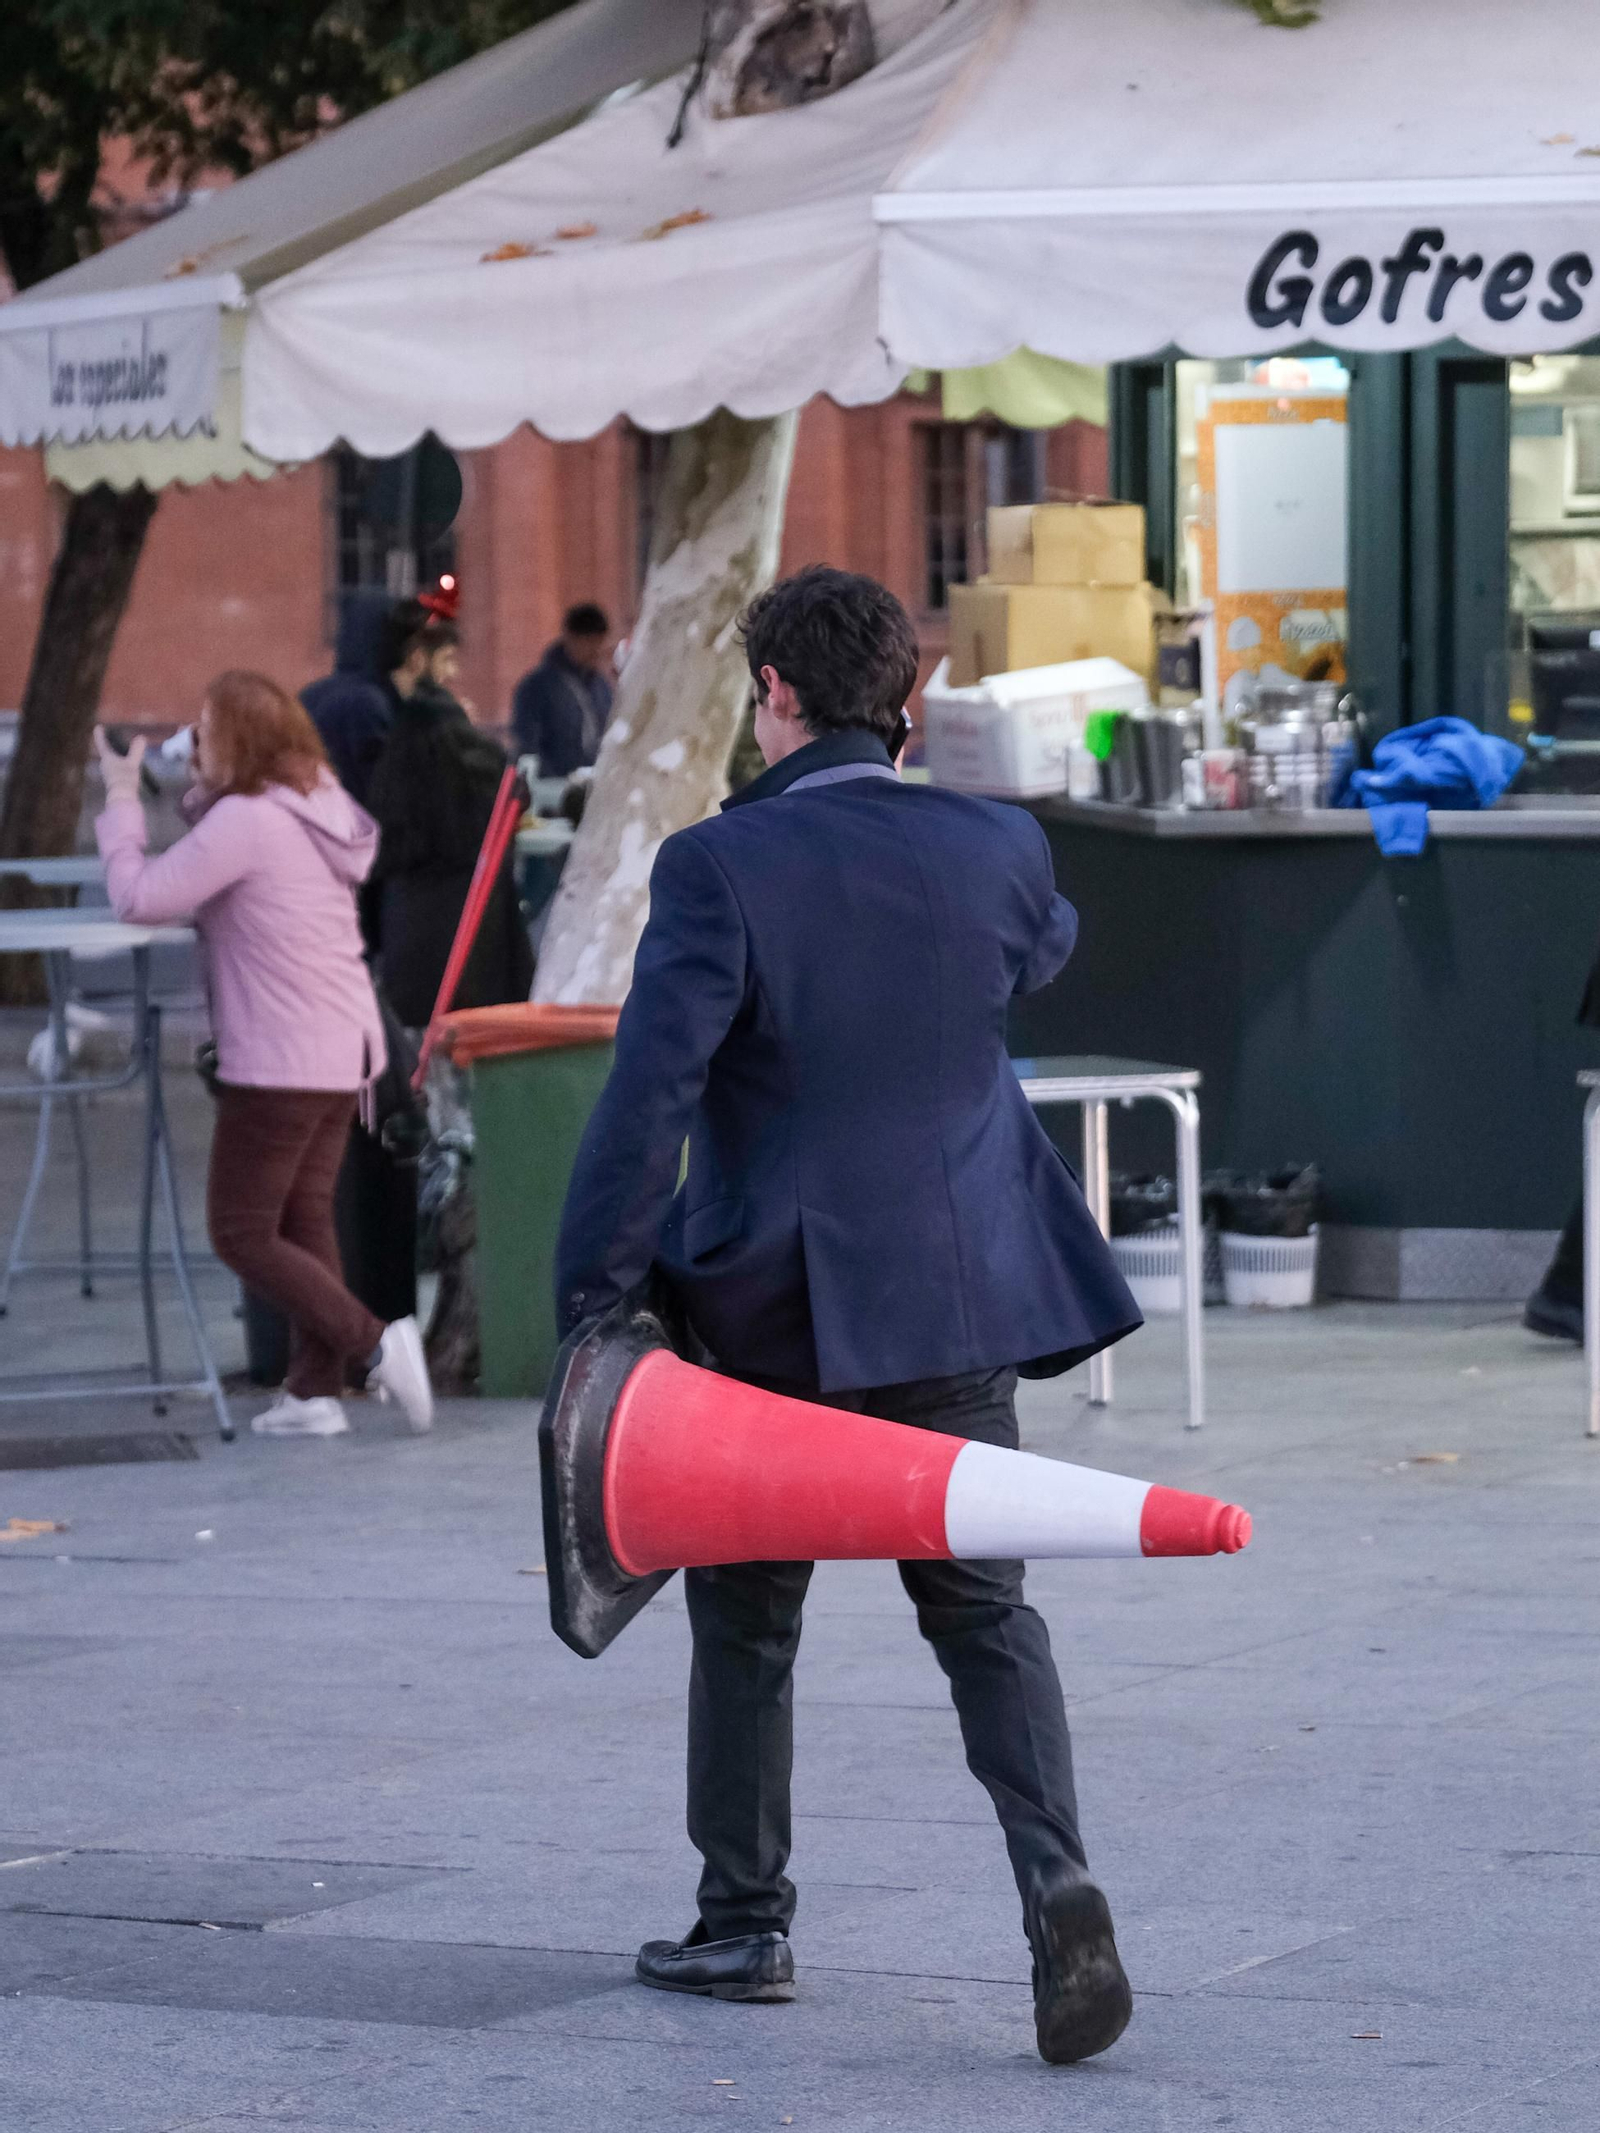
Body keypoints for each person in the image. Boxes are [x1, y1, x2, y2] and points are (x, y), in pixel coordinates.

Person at [554, 567, 1142, 2065]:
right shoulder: (999, 845)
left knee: (746, 1613)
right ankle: (1055, 1878)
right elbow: (1045, 952)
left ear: (775, 698)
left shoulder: (719, 866)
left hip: (769, 1315)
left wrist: (595, 1303)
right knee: (985, 1608)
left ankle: (745, 1921)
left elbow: (650, 1103)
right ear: (913, 702)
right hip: (954, 1301)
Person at [93, 672, 435, 1441]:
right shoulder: (316, 805)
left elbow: (140, 896)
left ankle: (376, 1342)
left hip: (279, 1055)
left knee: (240, 1229)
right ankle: (313, 1391)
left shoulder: (248, 820)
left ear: (240, 742)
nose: (196, 742)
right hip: (344, 1048)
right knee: (302, 1215)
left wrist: (120, 801)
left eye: (207, 731)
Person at [511, 603, 613, 776]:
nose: (596, 651)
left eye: (599, 642)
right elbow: (527, 742)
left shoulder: (601, 686)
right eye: (589, 642)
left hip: (594, 781)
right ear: (570, 638)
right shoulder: (537, 687)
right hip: (554, 787)